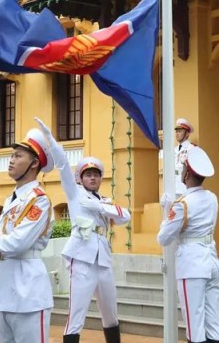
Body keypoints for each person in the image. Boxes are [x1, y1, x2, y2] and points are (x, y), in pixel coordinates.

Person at [35, 117, 130, 343]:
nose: (93, 177)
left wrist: (98, 206)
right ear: (81, 178)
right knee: (76, 315)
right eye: (88, 175)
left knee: (111, 314)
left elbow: (125, 216)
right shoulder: (75, 194)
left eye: (96, 174)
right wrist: (51, 140)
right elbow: (63, 165)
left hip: (103, 261)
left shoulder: (104, 201)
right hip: (82, 260)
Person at [0, 128, 55, 343]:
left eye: (18, 156)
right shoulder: (12, 199)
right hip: (6, 292)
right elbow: (5, 252)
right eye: (12, 155)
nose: (11, 161)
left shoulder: (39, 200)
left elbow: (16, 244)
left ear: (34, 163)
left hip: (29, 293)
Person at [157, 146, 219, 343]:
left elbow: (163, 237)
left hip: (192, 265)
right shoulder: (212, 198)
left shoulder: (182, 205)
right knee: (213, 324)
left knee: (195, 325)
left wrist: (167, 210)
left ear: (186, 174)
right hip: (211, 261)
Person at [175, 118, 196, 195]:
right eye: (176, 131)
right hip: (173, 188)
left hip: (185, 188)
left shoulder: (191, 148)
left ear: (187, 134)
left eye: (180, 131)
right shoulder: (174, 150)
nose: (177, 134)